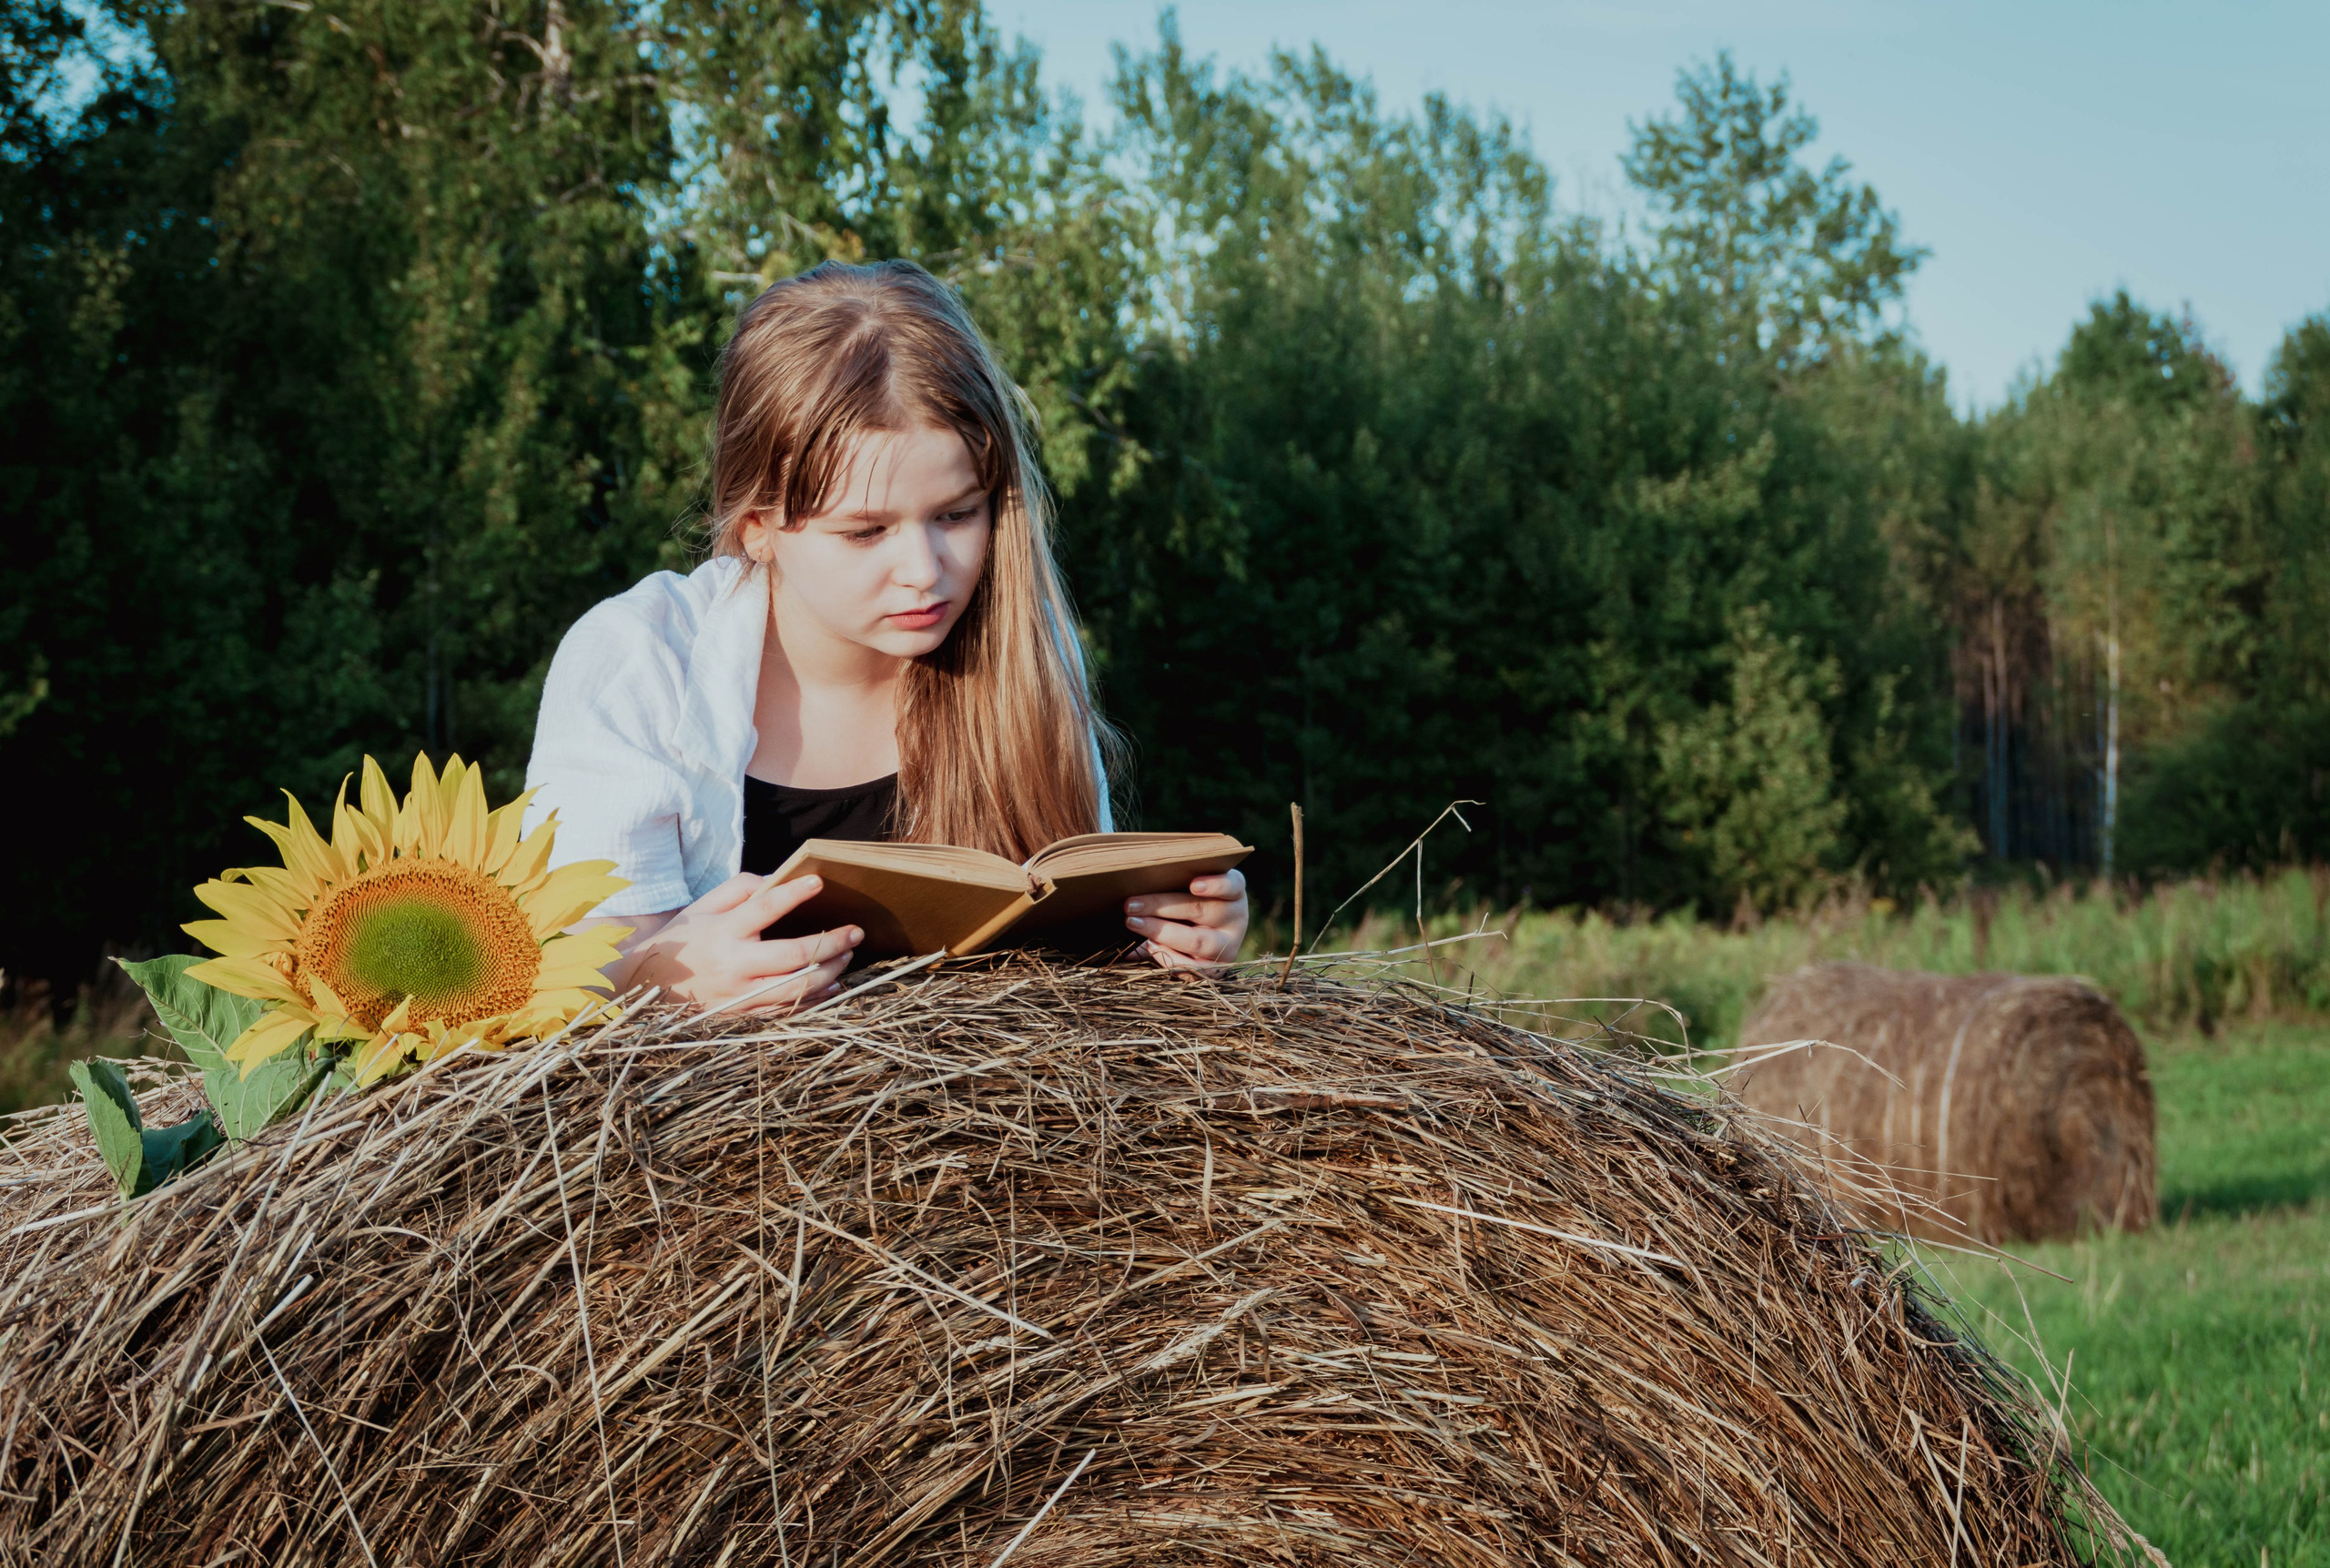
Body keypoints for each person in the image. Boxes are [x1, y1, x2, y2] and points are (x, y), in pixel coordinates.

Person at [522, 260, 1248, 1009]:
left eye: (957, 515)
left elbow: (1081, 983)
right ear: (759, 529)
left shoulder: (1025, 651)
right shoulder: (636, 663)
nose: (925, 571)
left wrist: (1179, 939)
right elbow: (573, 979)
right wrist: (659, 977)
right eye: (866, 531)